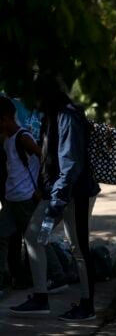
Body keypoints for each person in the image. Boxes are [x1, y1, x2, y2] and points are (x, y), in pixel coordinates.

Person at [9, 75, 100, 321]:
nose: (33, 102)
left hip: (76, 193)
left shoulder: (68, 116)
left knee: (79, 248)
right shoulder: (52, 115)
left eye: (35, 97)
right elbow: (50, 158)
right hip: (57, 192)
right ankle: (40, 297)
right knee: (33, 236)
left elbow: (70, 165)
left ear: (45, 96)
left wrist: (56, 202)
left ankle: (87, 305)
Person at [0, 97, 41, 295]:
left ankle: (55, 276)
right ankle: (10, 278)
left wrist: (42, 186)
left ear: (6, 119)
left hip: (25, 197)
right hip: (11, 196)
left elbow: (42, 158)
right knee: (4, 236)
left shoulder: (22, 136)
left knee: (33, 239)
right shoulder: (7, 138)